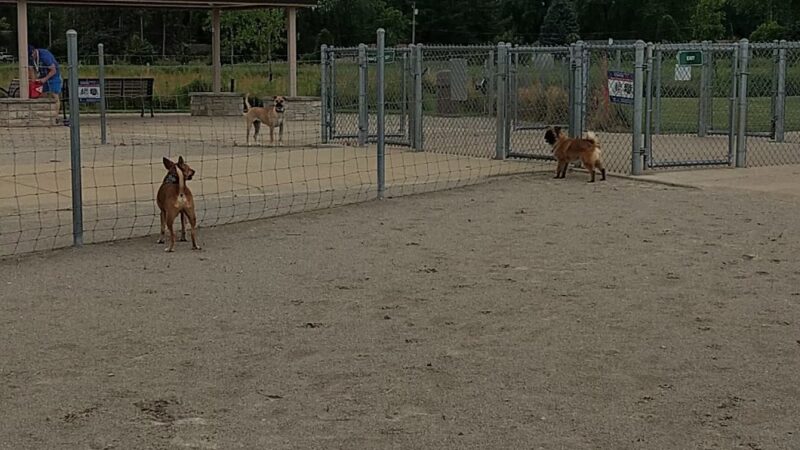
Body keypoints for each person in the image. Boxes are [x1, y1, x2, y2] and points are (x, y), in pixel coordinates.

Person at [28, 45, 62, 121]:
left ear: (34, 51)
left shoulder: (45, 56)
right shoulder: (30, 58)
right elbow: (31, 70)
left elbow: (53, 70)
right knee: (42, 95)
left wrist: (45, 79)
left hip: (53, 76)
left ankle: (55, 117)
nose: (31, 57)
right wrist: (34, 82)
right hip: (43, 75)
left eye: (31, 55)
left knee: (54, 95)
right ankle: (44, 116)